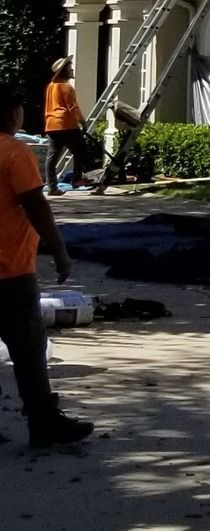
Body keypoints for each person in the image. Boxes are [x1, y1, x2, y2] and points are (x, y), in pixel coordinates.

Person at [0, 84, 93, 448]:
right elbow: (36, 206)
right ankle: (43, 422)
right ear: (12, 113)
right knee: (28, 348)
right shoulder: (13, 152)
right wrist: (59, 249)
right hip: (9, 270)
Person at [44, 59, 86, 195]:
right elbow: (73, 107)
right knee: (80, 151)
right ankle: (77, 180)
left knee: (52, 157)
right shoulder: (67, 87)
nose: (72, 70)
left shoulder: (51, 86)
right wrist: (83, 122)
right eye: (70, 68)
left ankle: (52, 187)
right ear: (64, 71)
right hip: (66, 124)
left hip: (52, 124)